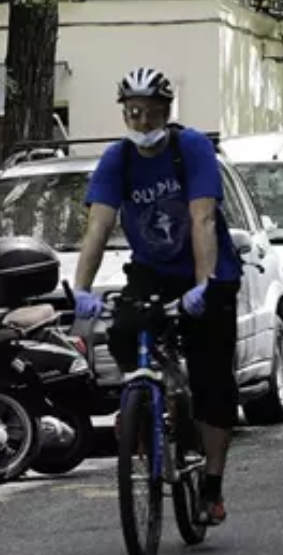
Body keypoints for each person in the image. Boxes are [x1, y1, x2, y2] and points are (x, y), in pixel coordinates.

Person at [71, 67, 242, 526]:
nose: (142, 123)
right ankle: (151, 398)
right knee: (124, 332)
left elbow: (203, 219)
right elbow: (98, 226)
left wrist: (204, 286)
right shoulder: (118, 160)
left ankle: (211, 484)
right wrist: (81, 290)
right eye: (133, 113)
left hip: (208, 272)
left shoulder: (191, 149)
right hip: (153, 271)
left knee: (212, 381)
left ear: (167, 113)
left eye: (150, 114)